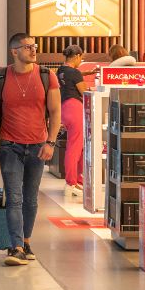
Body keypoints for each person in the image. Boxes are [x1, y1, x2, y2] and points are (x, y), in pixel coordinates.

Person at [0, 32, 61, 266]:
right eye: (28, 46)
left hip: (38, 146)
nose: (33, 50)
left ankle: (26, 241)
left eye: (34, 46)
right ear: (14, 52)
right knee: (14, 198)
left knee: (30, 199)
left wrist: (50, 142)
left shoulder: (46, 76)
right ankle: (16, 246)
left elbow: (55, 112)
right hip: (10, 145)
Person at [56, 47, 90, 201]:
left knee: (78, 146)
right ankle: (71, 183)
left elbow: (71, 80)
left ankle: (77, 180)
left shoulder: (61, 70)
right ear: (77, 56)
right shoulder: (74, 73)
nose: (81, 61)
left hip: (65, 108)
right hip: (75, 108)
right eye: (81, 58)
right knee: (75, 147)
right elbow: (85, 93)